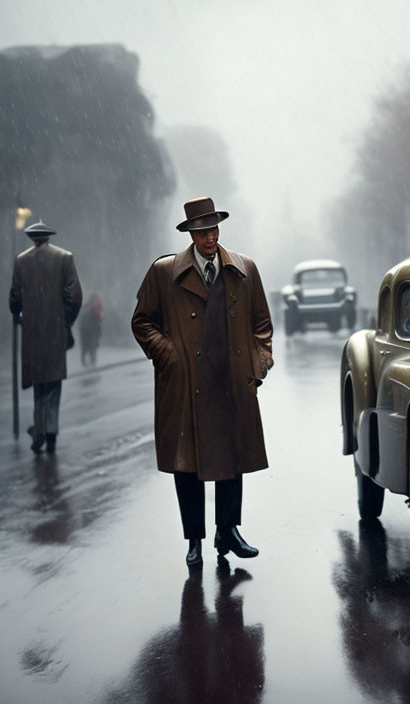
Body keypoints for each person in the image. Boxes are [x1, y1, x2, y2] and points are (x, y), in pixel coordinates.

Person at [131, 197, 274, 567]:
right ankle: (194, 539)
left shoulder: (244, 269)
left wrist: (257, 366)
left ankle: (228, 531)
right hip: (186, 384)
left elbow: (262, 325)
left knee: (232, 457)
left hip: (230, 379)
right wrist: (168, 356)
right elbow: (142, 321)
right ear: (191, 234)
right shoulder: (165, 273)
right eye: (202, 231)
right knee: (188, 465)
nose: (210, 237)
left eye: (214, 229)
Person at [9, 221, 82, 452]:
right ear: (48, 236)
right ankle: (50, 433)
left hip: (32, 332)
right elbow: (75, 296)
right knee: (53, 383)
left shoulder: (21, 261)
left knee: (39, 383)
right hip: (55, 330)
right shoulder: (64, 258)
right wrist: (66, 320)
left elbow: (14, 299)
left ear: (32, 238)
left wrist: (20, 316)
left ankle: (39, 427)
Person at [79, 293, 105, 366]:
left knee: (88, 347)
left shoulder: (87, 307)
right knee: (91, 347)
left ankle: (88, 361)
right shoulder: (94, 307)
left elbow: (100, 318)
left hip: (88, 331)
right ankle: (92, 361)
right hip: (91, 331)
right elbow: (100, 318)